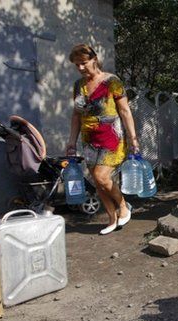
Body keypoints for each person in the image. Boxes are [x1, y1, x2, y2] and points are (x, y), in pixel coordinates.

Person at [66, 44, 139, 235]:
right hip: (89, 139)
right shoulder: (78, 85)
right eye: (77, 65)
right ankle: (111, 219)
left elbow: (124, 110)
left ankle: (123, 206)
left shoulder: (111, 81)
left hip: (111, 138)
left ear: (94, 60)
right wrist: (71, 141)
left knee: (102, 176)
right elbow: (76, 115)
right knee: (97, 182)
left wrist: (133, 137)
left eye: (83, 63)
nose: (80, 68)